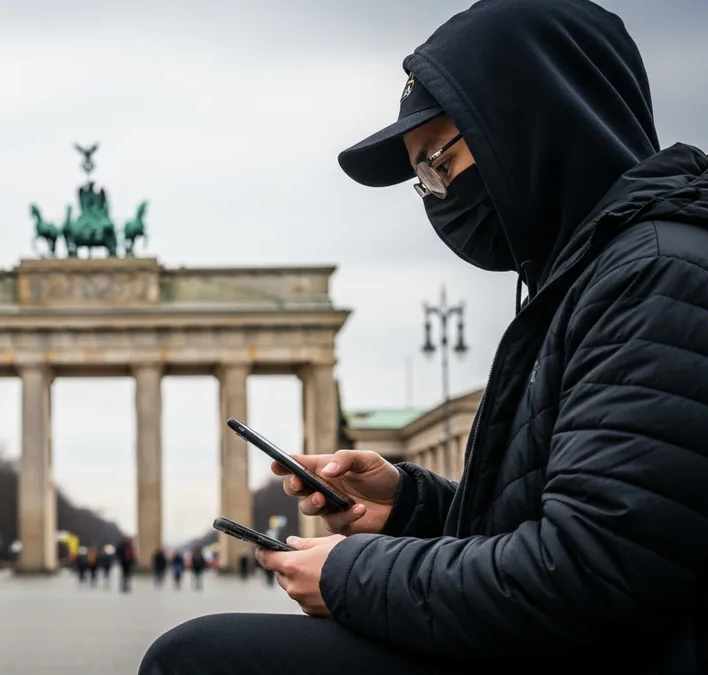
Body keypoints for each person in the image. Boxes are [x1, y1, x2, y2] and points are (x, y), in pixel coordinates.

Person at [139, 1, 708, 673]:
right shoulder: (593, 277)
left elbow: (593, 573)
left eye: (437, 162)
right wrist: (410, 508)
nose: (436, 194)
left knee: (197, 658)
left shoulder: (655, 277)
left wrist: (350, 574)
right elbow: (571, 531)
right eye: (423, 181)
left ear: (528, 124)